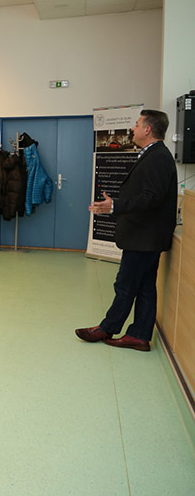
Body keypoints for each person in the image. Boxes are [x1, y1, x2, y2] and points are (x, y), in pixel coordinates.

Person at [77, 109, 178, 352]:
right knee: (144, 287)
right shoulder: (154, 154)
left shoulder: (158, 157)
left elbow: (151, 198)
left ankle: (106, 328)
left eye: (137, 124)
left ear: (147, 129)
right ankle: (139, 336)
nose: (132, 128)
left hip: (144, 236)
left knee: (125, 284)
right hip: (146, 236)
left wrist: (116, 206)